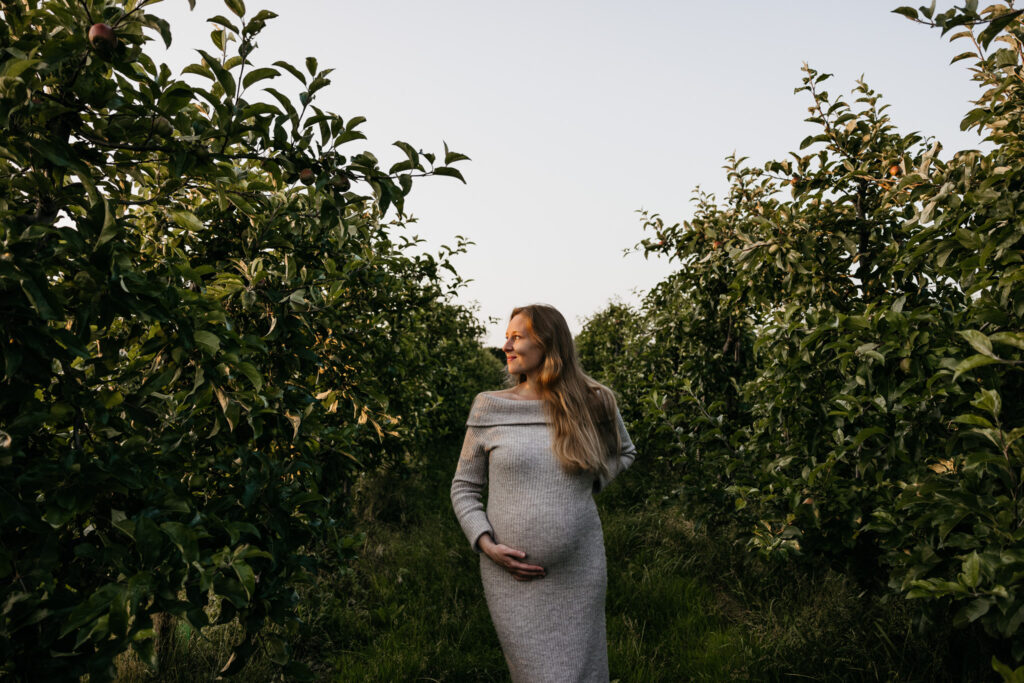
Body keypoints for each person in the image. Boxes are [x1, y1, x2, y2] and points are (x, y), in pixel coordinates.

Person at [450, 304, 637, 683]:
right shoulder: (490, 407)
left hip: (579, 570)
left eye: (516, 337)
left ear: (548, 343)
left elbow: (625, 452)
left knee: (582, 674)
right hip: (511, 580)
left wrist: (590, 482)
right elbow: (464, 487)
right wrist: (485, 544)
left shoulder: (594, 401)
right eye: (507, 337)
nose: (506, 345)